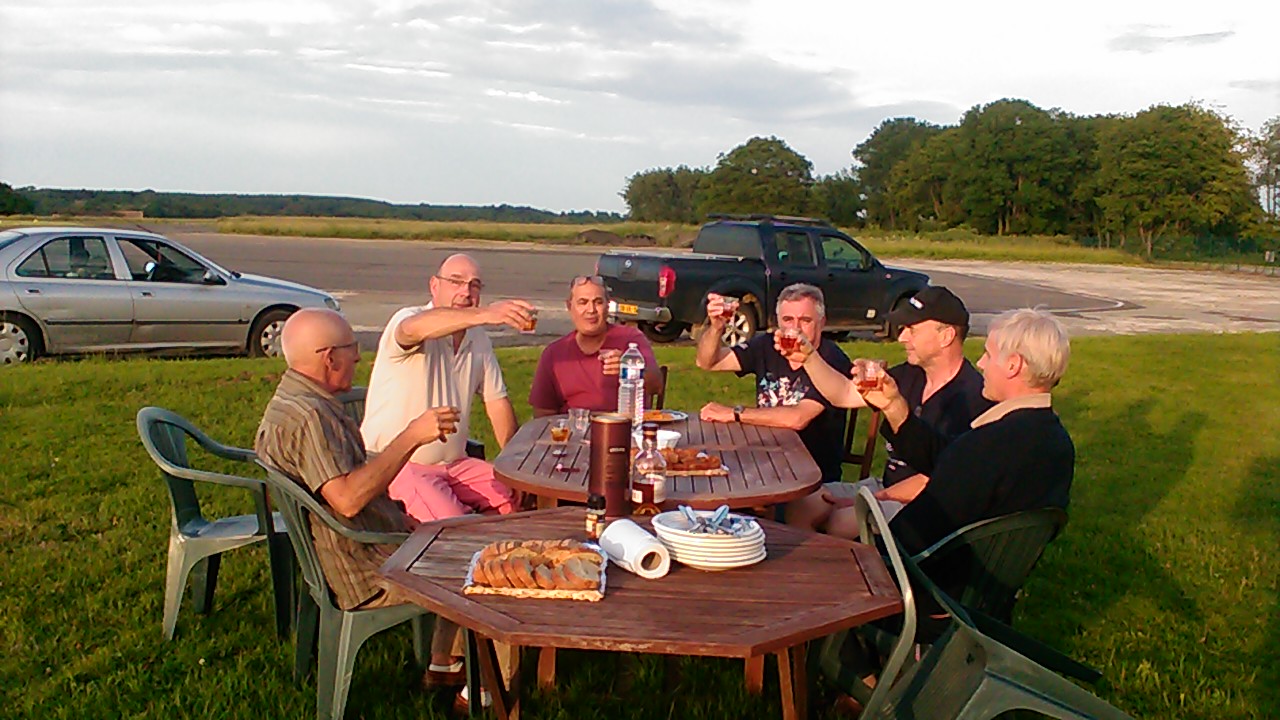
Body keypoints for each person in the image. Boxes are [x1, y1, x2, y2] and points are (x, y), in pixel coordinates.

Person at [254, 308, 498, 706]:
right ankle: (488, 693)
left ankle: (443, 663)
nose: (358, 356)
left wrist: (400, 516)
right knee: (484, 570)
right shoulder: (311, 417)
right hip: (364, 567)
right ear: (329, 358)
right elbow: (348, 500)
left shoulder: (293, 400)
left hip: (360, 546)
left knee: (458, 539)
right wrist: (411, 436)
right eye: (352, 348)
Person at [784, 286, 992, 536]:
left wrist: (873, 498)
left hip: (925, 504)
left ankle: (839, 560)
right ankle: (804, 560)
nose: (902, 337)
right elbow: (843, 394)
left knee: (841, 522)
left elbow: (938, 479)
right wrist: (809, 357)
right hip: (885, 487)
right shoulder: (909, 374)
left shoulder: (971, 398)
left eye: (912, 329)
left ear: (946, 336)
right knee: (802, 503)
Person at [361, 253, 528, 523]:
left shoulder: (477, 338)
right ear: (434, 285)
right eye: (456, 282)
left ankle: (505, 549)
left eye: (474, 285)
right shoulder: (410, 318)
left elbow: (497, 403)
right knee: (453, 527)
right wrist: (486, 314)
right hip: (399, 465)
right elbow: (411, 331)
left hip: (456, 464)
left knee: (522, 497)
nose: (466, 292)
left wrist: (516, 468)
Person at [695, 283, 851, 483]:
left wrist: (735, 414)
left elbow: (798, 418)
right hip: (764, 460)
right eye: (788, 320)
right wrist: (717, 328)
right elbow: (708, 362)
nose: (795, 328)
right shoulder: (768, 345)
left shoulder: (831, 359)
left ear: (822, 323)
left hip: (812, 476)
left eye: (805, 320)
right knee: (707, 477)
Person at [528, 275, 663, 416]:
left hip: (624, 425)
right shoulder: (554, 354)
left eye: (598, 302)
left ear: (608, 306)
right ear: (569, 306)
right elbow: (543, 414)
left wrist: (630, 369)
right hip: (574, 427)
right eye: (583, 302)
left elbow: (656, 386)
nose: (591, 310)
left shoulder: (631, 340)